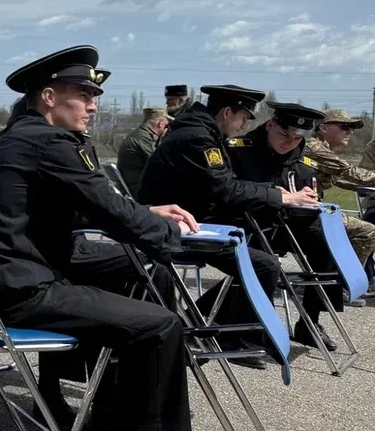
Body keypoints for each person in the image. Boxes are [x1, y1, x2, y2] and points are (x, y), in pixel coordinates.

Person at [0, 45, 199, 431]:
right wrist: (175, 237)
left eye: (94, 96)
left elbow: (83, 204)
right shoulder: (47, 142)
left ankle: (92, 408)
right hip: (21, 288)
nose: (93, 105)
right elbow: (108, 209)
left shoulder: (24, 136)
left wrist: (148, 215)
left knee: (140, 269)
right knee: (160, 325)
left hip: (2, 277)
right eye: (84, 94)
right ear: (49, 97)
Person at [138, 87, 320, 359]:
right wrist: (279, 196)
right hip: (176, 228)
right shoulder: (199, 138)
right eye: (243, 117)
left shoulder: (201, 132)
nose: (244, 125)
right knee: (263, 264)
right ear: (226, 113)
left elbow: (223, 185)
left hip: (190, 220)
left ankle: (217, 325)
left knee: (260, 251)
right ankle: (230, 335)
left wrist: (273, 192)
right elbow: (225, 190)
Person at [225, 102, 347, 348]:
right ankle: (253, 326)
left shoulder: (302, 160)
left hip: (286, 225)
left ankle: (310, 321)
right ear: (270, 125)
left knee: (327, 243)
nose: (289, 142)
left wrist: (310, 200)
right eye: (284, 134)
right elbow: (231, 192)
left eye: (296, 138)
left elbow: (308, 195)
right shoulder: (239, 151)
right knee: (263, 260)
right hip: (246, 224)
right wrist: (280, 195)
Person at [305, 109, 375, 281]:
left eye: (351, 128)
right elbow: (349, 172)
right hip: (305, 214)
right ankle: (347, 283)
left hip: (309, 209)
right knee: (367, 231)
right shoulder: (315, 147)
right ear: (323, 128)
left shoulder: (321, 147)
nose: (350, 132)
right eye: (344, 127)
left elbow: (340, 180)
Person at [116, 106, 169, 195]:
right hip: (139, 189)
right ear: (160, 123)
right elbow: (159, 163)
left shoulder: (141, 135)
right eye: (166, 125)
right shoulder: (143, 138)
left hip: (137, 185)